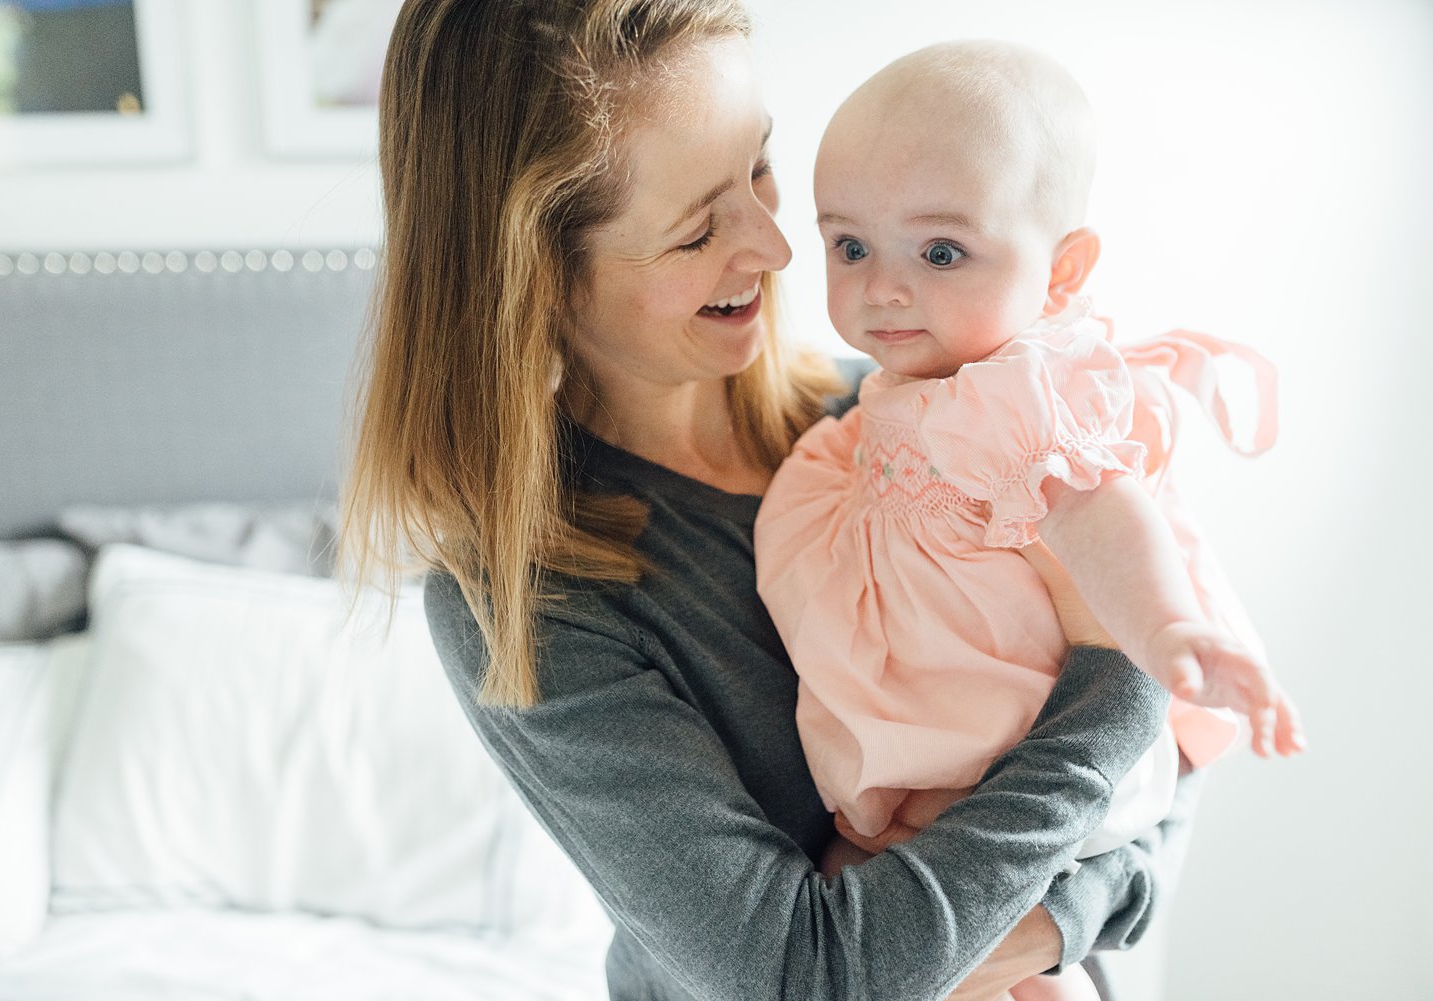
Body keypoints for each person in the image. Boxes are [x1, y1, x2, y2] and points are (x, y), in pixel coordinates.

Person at [342, 3, 1206, 999]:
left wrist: (1059, 918)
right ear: (536, 277)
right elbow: (800, 973)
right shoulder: (529, 597)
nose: (777, 245)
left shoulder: (919, 417)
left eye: (759, 166)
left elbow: (1182, 751)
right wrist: (1116, 675)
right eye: (697, 229)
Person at [754, 41, 1307, 1001]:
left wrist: (1169, 629)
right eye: (850, 245)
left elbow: (1104, 508)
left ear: (1060, 272)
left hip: (1004, 765)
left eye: (939, 252)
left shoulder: (1026, 393)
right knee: (868, 915)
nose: (883, 286)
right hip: (938, 786)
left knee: (922, 936)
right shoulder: (895, 399)